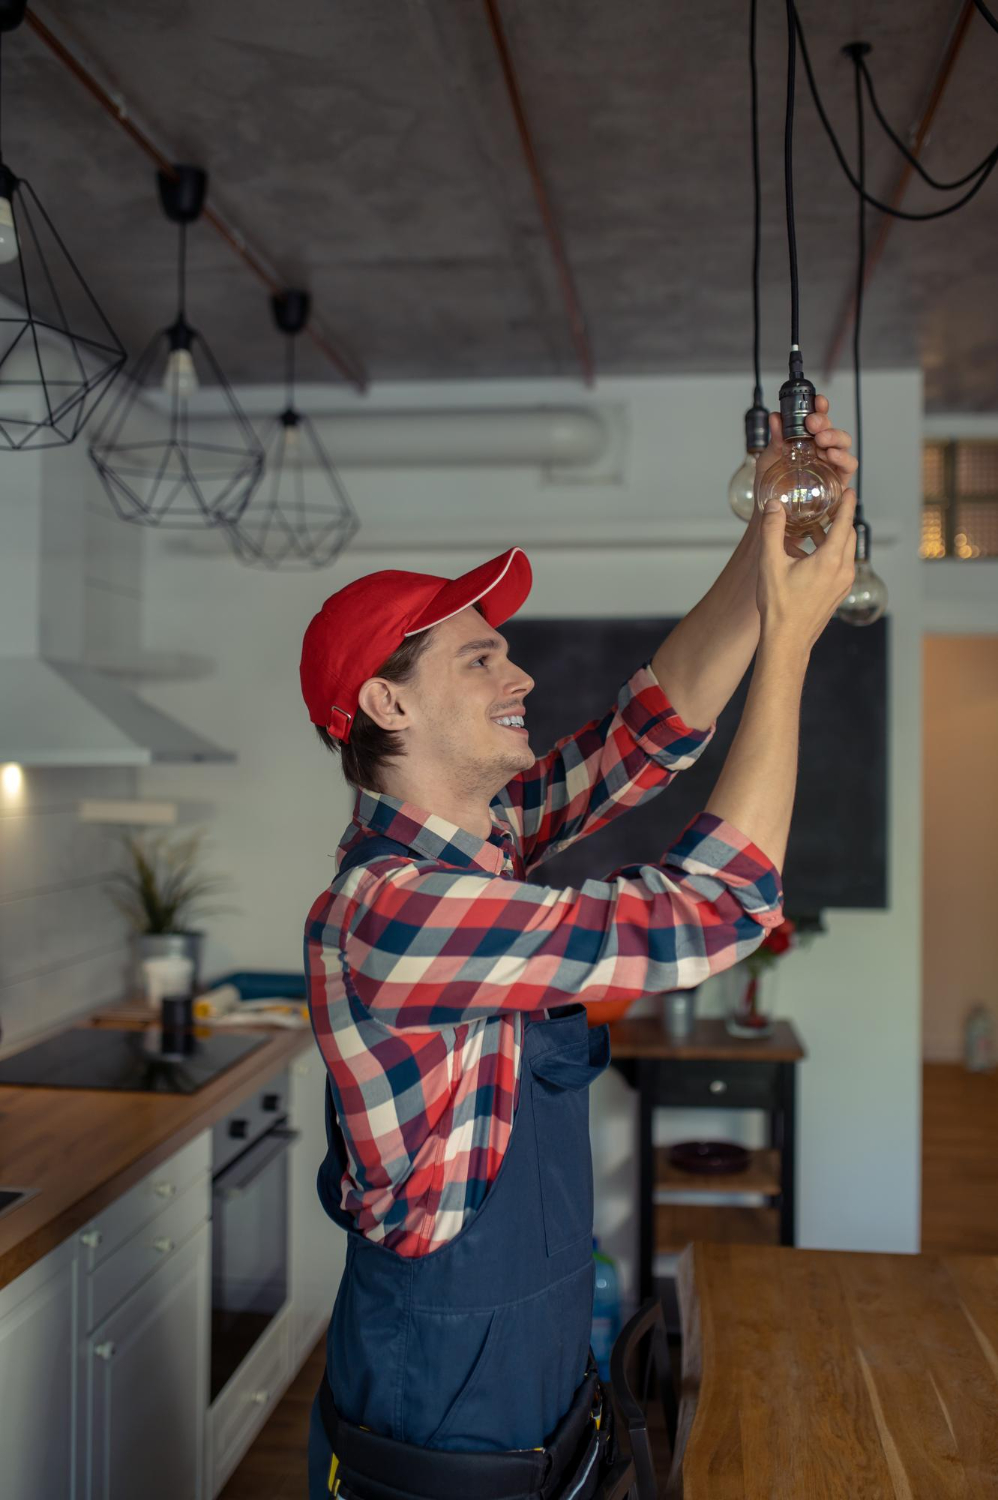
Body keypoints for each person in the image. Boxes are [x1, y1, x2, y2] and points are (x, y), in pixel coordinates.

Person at [299, 399, 857, 1499]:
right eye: (479, 660)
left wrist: (770, 541)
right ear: (382, 703)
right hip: (443, 1400)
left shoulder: (480, 853)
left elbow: (652, 725)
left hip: (530, 1363)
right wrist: (790, 647)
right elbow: (716, 909)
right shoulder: (394, 911)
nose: (519, 680)